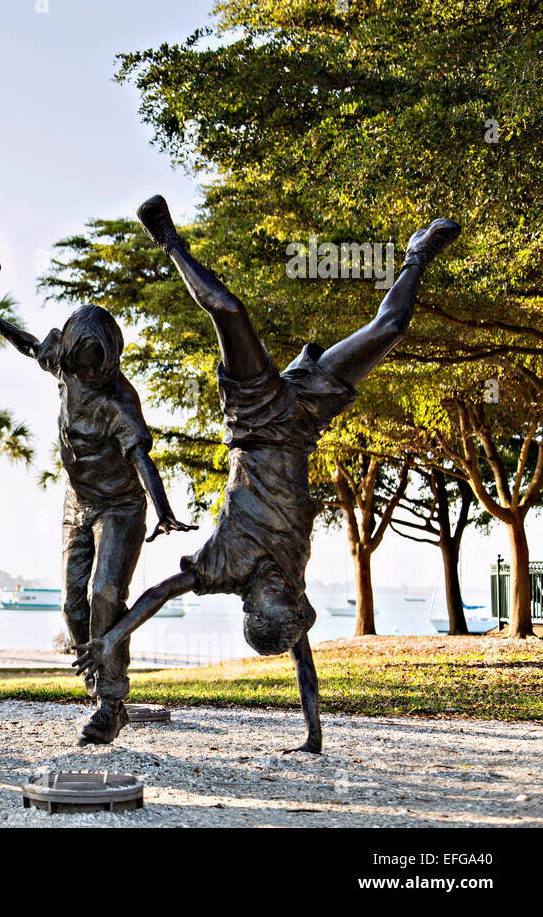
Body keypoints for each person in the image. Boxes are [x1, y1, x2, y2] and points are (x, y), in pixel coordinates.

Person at [73, 196, 461, 753]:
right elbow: (303, 661)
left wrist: (110, 636)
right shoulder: (292, 597)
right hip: (304, 419)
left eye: (275, 593)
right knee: (391, 325)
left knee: (228, 311)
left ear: (253, 603)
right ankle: (417, 254)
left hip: (255, 418)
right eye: (290, 595)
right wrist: (312, 733)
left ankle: (168, 242)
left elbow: (157, 593)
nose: (284, 585)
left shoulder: (222, 567)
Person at [0, 303, 195, 744]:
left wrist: (162, 508)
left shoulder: (120, 400)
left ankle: (110, 704)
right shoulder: (63, 360)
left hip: (121, 507)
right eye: (79, 368)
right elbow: (29, 344)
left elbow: (141, 459)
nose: (87, 376)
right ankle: (98, 684)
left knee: (105, 593)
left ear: (110, 359)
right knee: (72, 606)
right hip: (76, 502)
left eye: (96, 369)